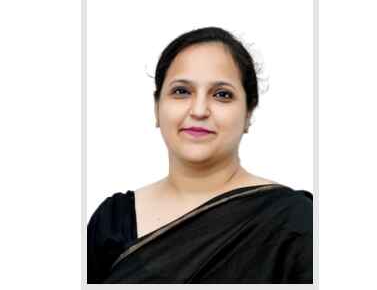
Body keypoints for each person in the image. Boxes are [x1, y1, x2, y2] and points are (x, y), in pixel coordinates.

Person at [87, 26, 313, 284]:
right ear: (156, 107)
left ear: (248, 113)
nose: (199, 110)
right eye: (181, 91)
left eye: (222, 94)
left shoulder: (293, 221)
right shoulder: (111, 221)